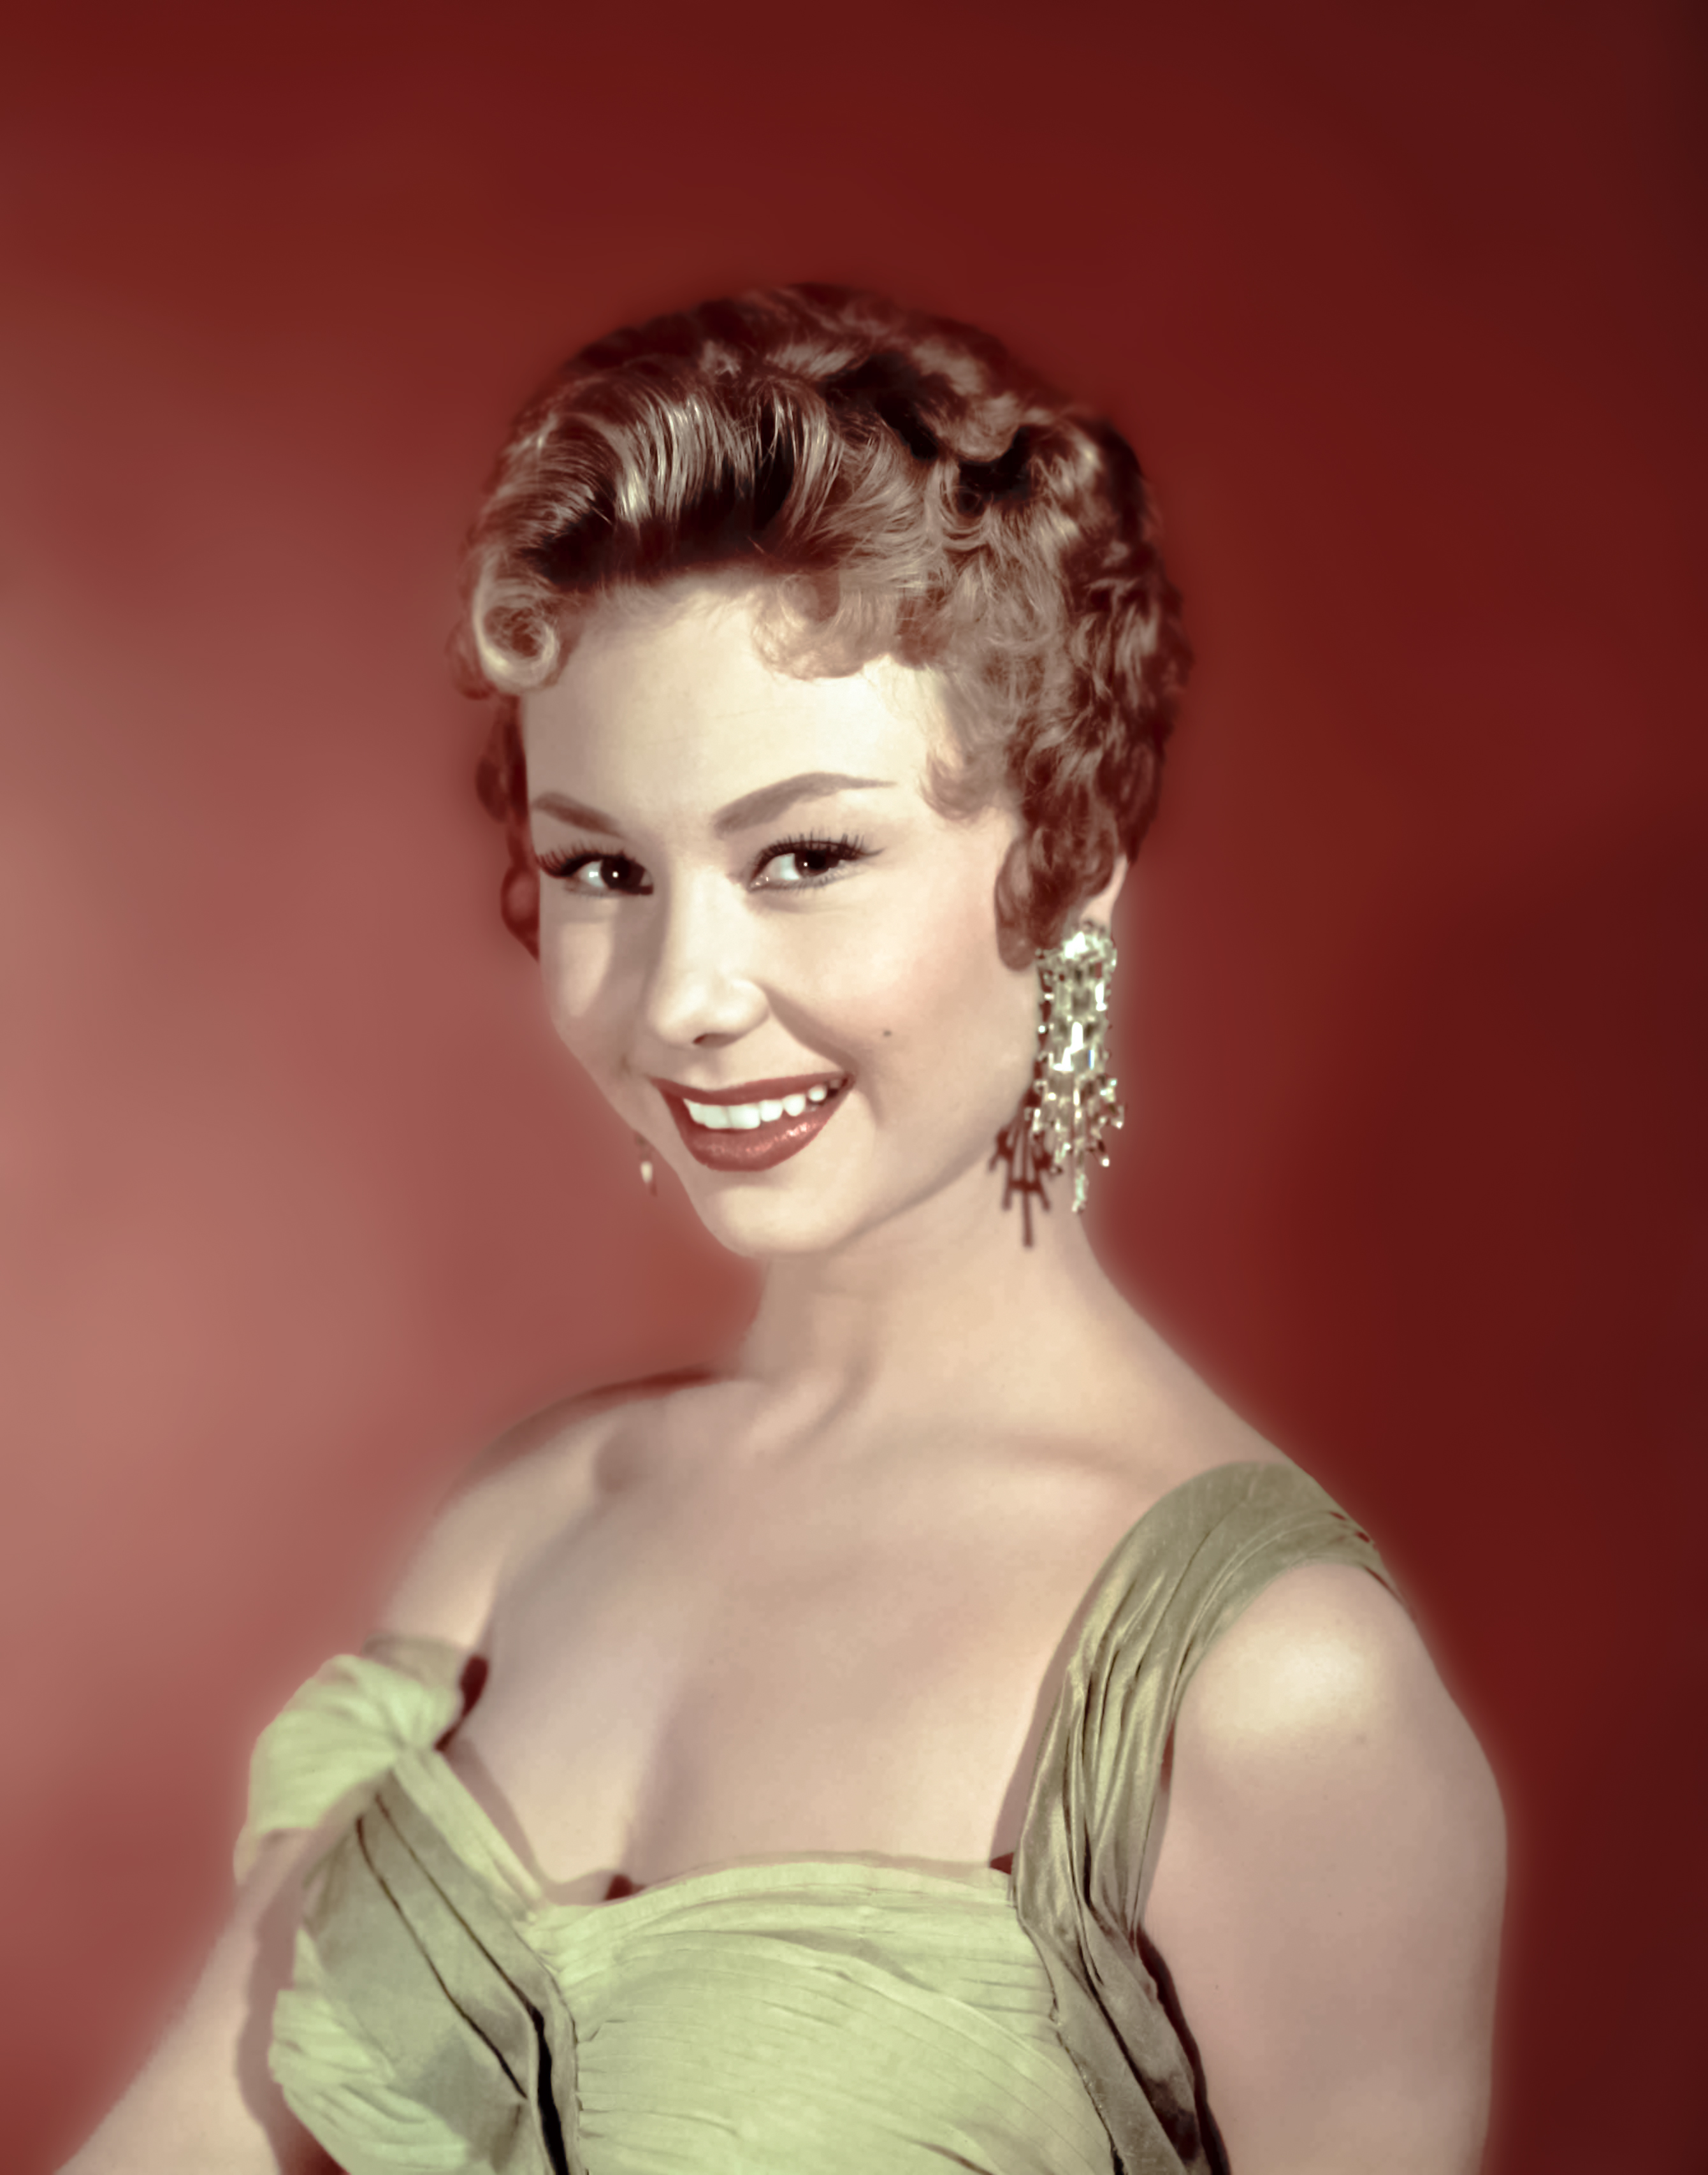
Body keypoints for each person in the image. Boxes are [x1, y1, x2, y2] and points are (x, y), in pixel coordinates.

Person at [62, 285, 1505, 2175]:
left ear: (1068, 864)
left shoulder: (1271, 1693)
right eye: (604, 867)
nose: (681, 997)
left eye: (804, 857)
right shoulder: (527, 1524)